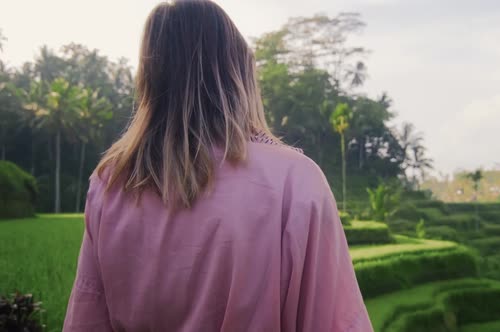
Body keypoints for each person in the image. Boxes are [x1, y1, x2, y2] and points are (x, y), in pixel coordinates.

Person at [63, 1, 372, 331]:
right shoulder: (293, 181)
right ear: (239, 74)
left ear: (150, 77)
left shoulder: (111, 184)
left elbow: (87, 319)